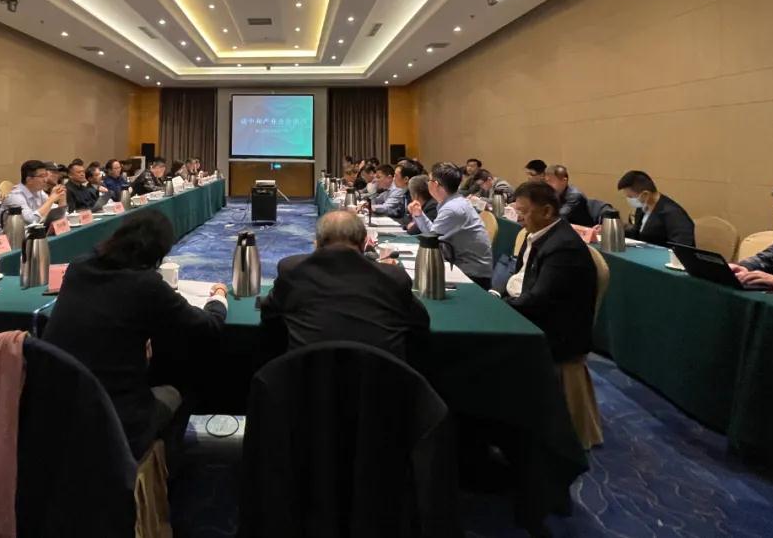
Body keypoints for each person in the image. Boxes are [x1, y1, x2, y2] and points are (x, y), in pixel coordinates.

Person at [42, 211, 227, 460]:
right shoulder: (146, 285)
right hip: (114, 422)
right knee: (187, 378)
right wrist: (218, 297)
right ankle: (163, 465)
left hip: (54, 409)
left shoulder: (78, 266)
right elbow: (208, 327)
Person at [261, 211, 428, 361]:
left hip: (306, 379)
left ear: (316, 244)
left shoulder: (292, 270)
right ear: (364, 244)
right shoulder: (394, 277)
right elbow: (420, 324)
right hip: (381, 381)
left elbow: (269, 316)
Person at [490, 181, 597, 363]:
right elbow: (520, 275)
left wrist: (500, 307)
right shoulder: (536, 233)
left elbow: (538, 300)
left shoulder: (564, 248)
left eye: (523, 212)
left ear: (547, 211)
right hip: (529, 311)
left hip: (553, 333)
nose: (518, 218)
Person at [408, 163, 493, 283]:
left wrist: (419, 217)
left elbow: (432, 239)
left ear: (435, 184)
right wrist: (419, 215)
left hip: (472, 275)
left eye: (429, 180)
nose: (427, 184)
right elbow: (434, 233)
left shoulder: (452, 208)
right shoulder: (454, 201)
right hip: (464, 266)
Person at [615, 170, 694, 247]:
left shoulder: (674, 214)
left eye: (630, 196)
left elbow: (682, 248)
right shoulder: (642, 207)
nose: (629, 199)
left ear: (645, 194)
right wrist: (618, 228)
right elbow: (638, 234)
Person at [0, 160, 66, 227]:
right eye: (41, 176)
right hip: (9, 233)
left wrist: (62, 198)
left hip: (31, 232)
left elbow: (57, 214)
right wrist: (51, 199)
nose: (45, 180)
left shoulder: (39, 192)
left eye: (46, 175)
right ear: (29, 180)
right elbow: (31, 221)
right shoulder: (15, 196)